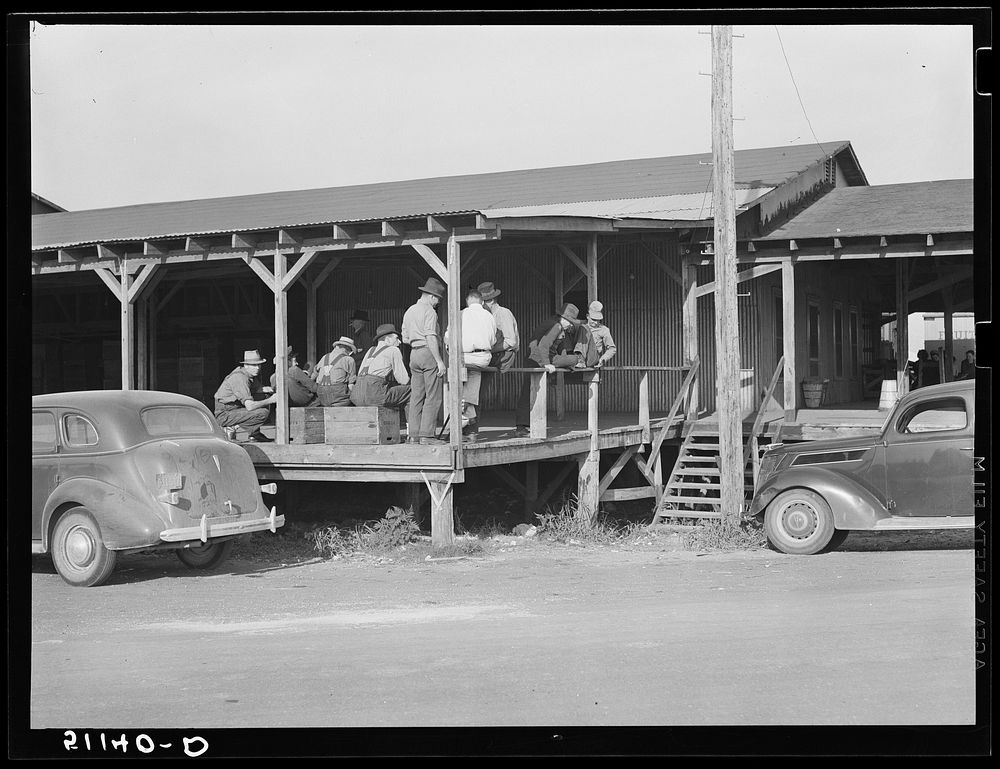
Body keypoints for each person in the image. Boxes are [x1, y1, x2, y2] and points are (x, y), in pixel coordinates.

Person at [510, 303, 583, 438]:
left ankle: (526, 426)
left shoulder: (559, 326)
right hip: (537, 359)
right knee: (529, 392)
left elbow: (561, 349)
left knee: (534, 392)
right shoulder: (556, 326)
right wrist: (547, 364)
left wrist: (565, 361)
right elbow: (543, 345)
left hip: (540, 358)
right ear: (563, 318)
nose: (570, 325)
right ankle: (522, 427)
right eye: (570, 322)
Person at [446, 288, 497, 442]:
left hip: (463, 358)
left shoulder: (460, 314)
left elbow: (448, 338)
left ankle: (464, 425)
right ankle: (471, 428)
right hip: (482, 358)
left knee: (459, 394)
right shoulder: (489, 316)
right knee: (470, 392)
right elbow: (493, 340)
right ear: (481, 301)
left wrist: (451, 352)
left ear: (467, 301)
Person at [401, 277, 448, 445]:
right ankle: (427, 435)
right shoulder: (429, 311)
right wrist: (439, 361)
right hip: (428, 353)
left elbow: (405, 338)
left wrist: (416, 339)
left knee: (417, 395)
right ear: (431, 297)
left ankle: (413, 435)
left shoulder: (410, 311)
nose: (437, 303)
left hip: (413, 354)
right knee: (433, 396)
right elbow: (430, 336)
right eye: (438, 299)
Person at [213, 349, 277, 442]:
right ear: (246, 365)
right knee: (262, 413)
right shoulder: (240, 378)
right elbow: (250, 406)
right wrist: (271, 400)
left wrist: (275, 390)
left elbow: (261, 389)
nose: (257, 368)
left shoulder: (250, 376)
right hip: (225, 414)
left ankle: (254, 434)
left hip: (235, 408)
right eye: (254, 365)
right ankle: (230, 428)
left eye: (259, 365)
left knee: (264, 396)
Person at [349, 323, 411, 411]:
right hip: (374, 395)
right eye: (396, 338)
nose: (400, 342)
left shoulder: (370, 350)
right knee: (412, 391)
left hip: (357, 396)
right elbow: (403, 379)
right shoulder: (393, 350)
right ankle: (411, 424)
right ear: (388, 339)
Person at [312, 336, 358, 406]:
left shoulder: (324, 357)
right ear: (347, 349)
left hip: (321, 394)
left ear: (337, 346)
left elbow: (314, 375)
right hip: (338, 395)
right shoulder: (349, 359)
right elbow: (351, 384)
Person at [572, 300, 618, 368]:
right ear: (587, 316)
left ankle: (581, 361)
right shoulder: (581, 325)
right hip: (576, 356)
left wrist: (603, 358)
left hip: (592, 358)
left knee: (584, 328)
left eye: (598, 320)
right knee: (579, 327)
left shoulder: (604, 329)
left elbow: (612, 349)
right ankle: (576, 359)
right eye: (593, 319)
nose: (596, 322)